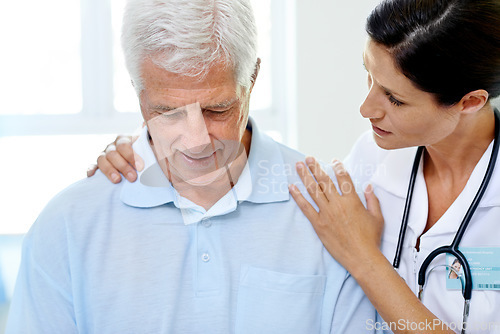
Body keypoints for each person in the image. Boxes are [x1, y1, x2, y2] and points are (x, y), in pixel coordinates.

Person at [94, 0, 500, 333]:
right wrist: (153, 144)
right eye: (369, 77)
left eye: (394, 99)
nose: (365, 107)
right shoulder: (371, 160)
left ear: (469, 102)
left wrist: (363, 258)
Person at [5, 0, 377, 333]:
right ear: (138, 92)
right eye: (168, 112)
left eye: (217, 109)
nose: (196, 140)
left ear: (252, 79)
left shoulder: (331, 209)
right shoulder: (69, 225)